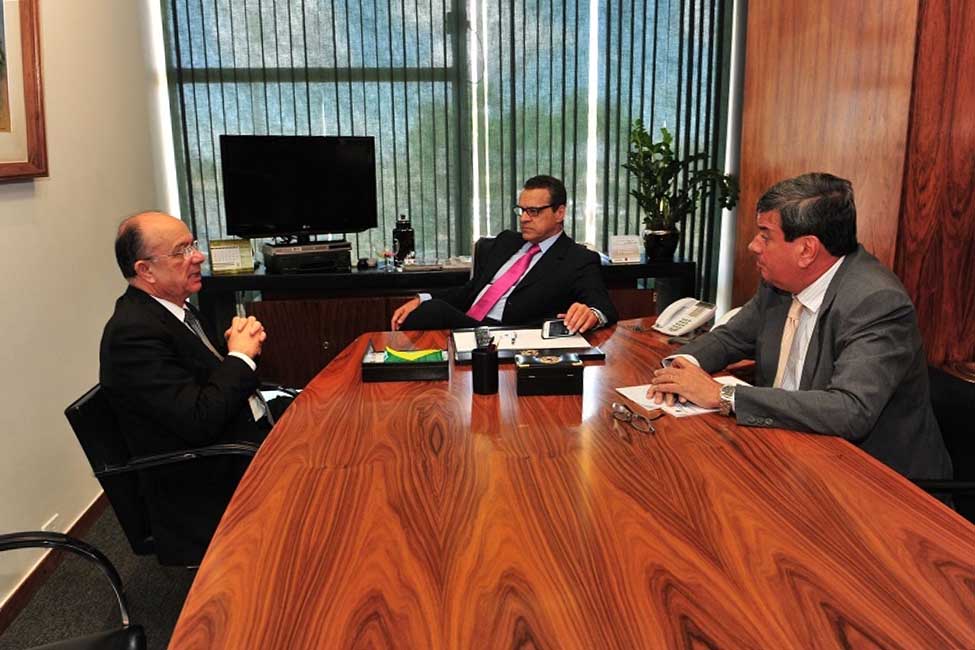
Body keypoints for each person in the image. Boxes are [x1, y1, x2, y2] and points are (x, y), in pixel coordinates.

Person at [648, 173, 951, 480]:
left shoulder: (876, 302)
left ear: (807, 250)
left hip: (875, 481)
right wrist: (681, 367)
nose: (753, 246)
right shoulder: (779, 284)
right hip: (786, 451)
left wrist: (723, 395)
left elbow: (850, 409)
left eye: (766, 236)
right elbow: (730, 338)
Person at [100, 211, 283, 563]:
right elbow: (199, 421)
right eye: (181, 251)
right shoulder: (133, 333)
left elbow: (204, 385)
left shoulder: (176, 310)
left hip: (237, 437)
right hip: (204, 476)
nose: (197, 257)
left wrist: (236, 353)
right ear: (146, 270)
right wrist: (240, 357)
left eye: (193, 245)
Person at [391, 175, 619, 332]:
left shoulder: (577, 258)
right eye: (522, 210)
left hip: (510, 333)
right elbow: (470, 291)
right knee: (425, 309)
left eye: (534, 211)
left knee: (433, 312)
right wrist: (422, 298)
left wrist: (592, 314)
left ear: (559, 213)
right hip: (470, 323)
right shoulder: (506, 242)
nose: (524, 218)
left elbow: (603, 307)